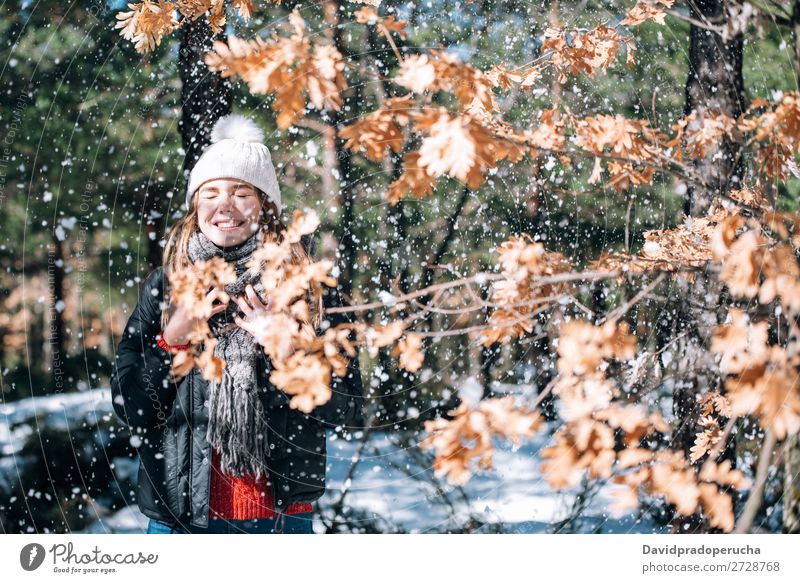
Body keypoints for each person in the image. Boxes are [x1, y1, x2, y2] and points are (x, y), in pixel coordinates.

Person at [110, 113, 364, 534]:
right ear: (196, 206)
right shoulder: (167, 288)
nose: (223, 206)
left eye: (241, 192)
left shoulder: (309, 290)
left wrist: (288, 353)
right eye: (210, 193)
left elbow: (347, 410)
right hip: (181, 521)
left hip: (279, 523)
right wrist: (171, 341)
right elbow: (133, 408)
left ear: (265, 206)